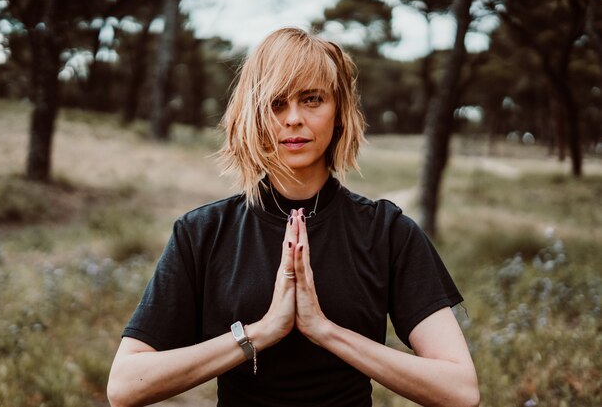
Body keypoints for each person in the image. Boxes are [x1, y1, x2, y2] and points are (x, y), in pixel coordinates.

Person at [107, 27, 479, 407]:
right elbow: (125, 385)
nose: (294, 118)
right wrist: (263, 332)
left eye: (312, 99)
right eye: (276, 103)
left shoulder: (386, 232)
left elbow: (460, 390)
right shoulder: (202, 233)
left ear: (338, 112)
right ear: (253, 115)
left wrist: (325, 330)